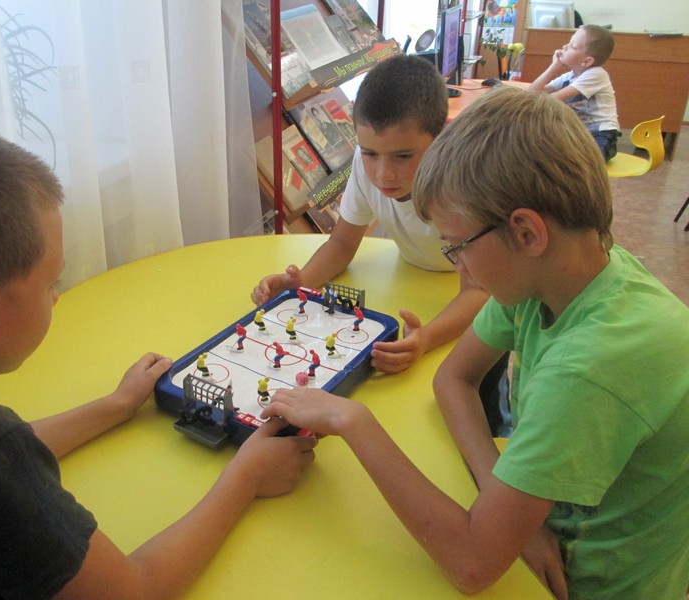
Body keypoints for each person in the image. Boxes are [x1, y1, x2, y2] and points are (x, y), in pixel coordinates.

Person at [261, 88, 689, 599]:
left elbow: (471, 563)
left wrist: (350, 419)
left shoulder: (589, 369)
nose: (457, 265)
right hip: (536, 530)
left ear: (527, 233)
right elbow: (454, 378)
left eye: (457, 246)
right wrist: (509, 506)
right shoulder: (560, 272)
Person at [0, 113, 316, 600]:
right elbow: (134, 591)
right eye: (50, 283)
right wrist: (245, 478)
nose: (56, 297)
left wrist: (115, 406)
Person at [251, 54, 508, 434]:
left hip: (480, 304)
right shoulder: (364, 162)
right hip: (412, 286)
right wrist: (301, 284)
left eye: (403, 156)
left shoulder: (469, 179)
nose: (383, 174)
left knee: (480, 417)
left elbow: (482, 290)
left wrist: (427, 338)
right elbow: (342, 242)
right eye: (370, 153)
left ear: (442, 137)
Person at [529, 24, 620, 161]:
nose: (565, 47)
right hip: (578, 134)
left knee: (580, 162)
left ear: (587, 61)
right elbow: (530, 94)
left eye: (573, 46)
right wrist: (554, 67)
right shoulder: (570, 76)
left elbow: (549, 100)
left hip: (601, 135)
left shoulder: (597, 74)